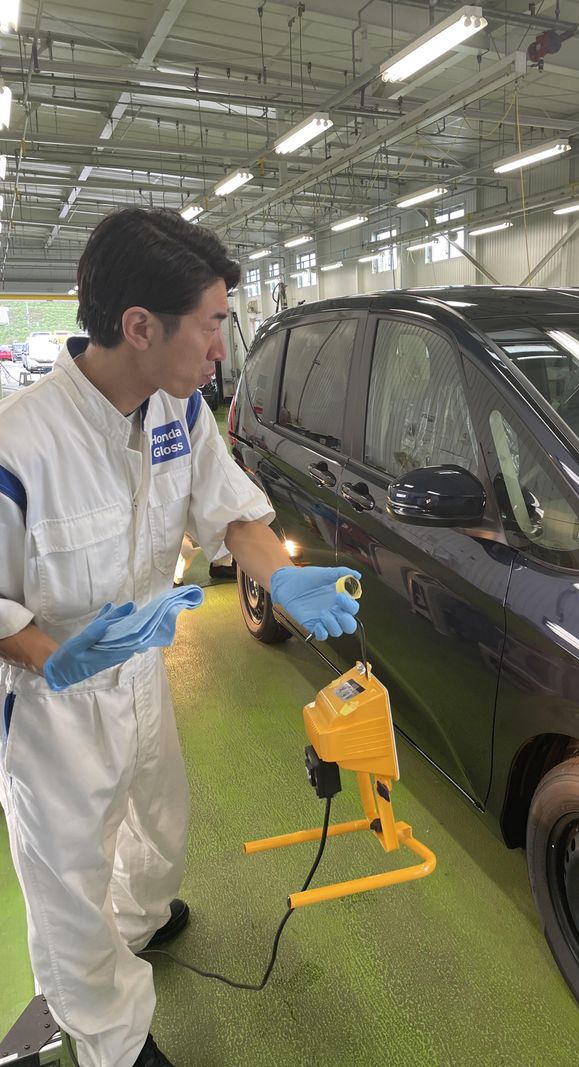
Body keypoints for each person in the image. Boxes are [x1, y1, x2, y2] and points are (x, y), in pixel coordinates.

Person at [0, 208, 359, 1067]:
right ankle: (112, 1040)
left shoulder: (181, 411)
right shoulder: (20, 447)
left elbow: (230, 511)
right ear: (139, 326)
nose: (219, 349)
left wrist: (280, 574)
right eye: (211, 324)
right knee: (70, 887)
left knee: (161, 825)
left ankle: (142, 917)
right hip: (54, 705)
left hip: (140, 677)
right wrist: (53, 656)